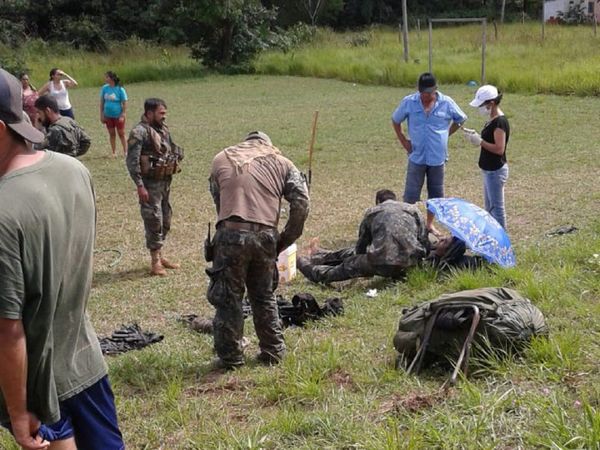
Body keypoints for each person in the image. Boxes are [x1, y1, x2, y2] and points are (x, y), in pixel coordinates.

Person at [0, 68, 124, 450]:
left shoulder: (3, 212)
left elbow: (9, 330)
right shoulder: (74, 170)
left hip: (35, 382)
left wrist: (19, 413)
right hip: (85, 359)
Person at [207, 131, 310, 369]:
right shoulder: (282, 162)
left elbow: (218, 199)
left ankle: (231, 357)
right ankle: (273, 351)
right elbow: (302, 202)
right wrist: (285, 239)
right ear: (266, 145)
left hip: (230, 233)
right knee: (264, 296)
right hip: (266, 236)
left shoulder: (221, 158)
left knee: (228, 298)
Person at [297, 189, 430, 284]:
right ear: (395, 199)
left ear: (378, 201)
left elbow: (361, 246)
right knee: (352, 254)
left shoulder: (373, 212)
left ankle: (303, 263)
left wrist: (358, 263)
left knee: (336, 272)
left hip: (379, 263)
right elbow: (424, 241)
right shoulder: (413, 210)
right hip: (411, 263)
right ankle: (319, 254)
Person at [392, 72, 467, 235]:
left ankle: (429, 224)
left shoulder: (446, 103)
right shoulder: (409, 102)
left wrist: (446, 134)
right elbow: (396, 120)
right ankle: (408, 226)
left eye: (428, 93)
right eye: (422, 93)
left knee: (436, 195)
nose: (425, 97)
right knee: (410, 194)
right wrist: (404, 141)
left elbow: (461, 119)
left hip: (437, 157)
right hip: (416, 155)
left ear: (435, 90)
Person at [126, 98, 184, 276]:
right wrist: (139, 186)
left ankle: (160, 254)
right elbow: (132, 161)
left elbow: (171, 148)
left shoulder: (162, 130)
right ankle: (155, 262)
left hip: (164, 183)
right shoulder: (139, 132)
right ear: (149, 113)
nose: (164, 117)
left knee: (166, 219)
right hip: (149, 185)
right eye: (161, 113)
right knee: (154, 220)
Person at [463, 85, 510, 229]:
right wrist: (475, 136)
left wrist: (480, 141)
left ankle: (502, 242)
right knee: (489, 208)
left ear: (491, 103)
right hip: (488, 170)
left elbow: (499, 149)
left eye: (482, 105)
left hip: (495, 171)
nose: (480, 108)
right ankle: (492, 236)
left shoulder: (499, 122)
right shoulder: (491, 119)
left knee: (497, 208)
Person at [100, 71, 128, 158]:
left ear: (112, 79)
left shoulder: (120, 89)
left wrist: (123, 114)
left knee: (121, 134)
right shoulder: (105, 88)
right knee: (112, 134)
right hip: (108, 115)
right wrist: (102, 114)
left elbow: (124, 103)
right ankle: (114, 152)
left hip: (118, 115)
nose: (105, 79)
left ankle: (126, 151)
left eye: (107, 77)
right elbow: (102, 102)